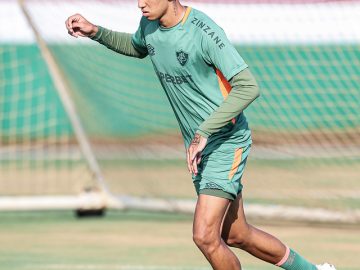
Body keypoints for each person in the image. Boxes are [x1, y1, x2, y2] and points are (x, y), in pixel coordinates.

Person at [65, 1, 336, 270]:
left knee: (205, 236)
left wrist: (204, 131)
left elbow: (248, 87)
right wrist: (95, 31)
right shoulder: (149, 24)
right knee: (236, 235)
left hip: (226, 141)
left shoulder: (203, 31)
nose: (140, 3)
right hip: (200, 147)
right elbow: (138, 47)